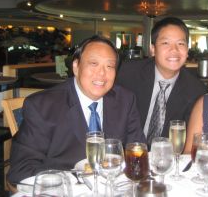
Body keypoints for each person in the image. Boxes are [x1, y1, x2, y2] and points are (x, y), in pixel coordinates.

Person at [8, 35, 146, 184]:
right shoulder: (42, 106)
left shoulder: (125, 100)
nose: (102, 73)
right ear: (76, 66)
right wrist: (72, 181)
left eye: (109, 66)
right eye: (93, 63)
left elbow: (137, 151)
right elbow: (21, 170)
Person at [116, 17, 207, 146]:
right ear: (153, 49)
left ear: (187, 51)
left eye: (181, 44)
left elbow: (189, 142)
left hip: (167, 159)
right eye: (166, 43)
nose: (174, 50)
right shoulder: (127, 73)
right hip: (125, 154)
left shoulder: (197, 91)